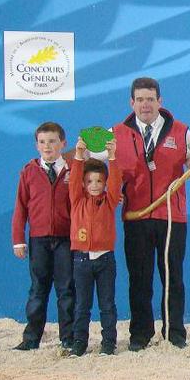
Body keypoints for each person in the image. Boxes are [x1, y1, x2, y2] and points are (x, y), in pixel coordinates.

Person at [109, 77, 190, 351]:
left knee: (173, 278)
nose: (145, 104)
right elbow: (97, 166)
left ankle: (174, 334)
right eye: (140, 99)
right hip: (136, 217)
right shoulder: (115, 133)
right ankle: (140, 335)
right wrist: (109, 190)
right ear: (132, 103)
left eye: (150, 99)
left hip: (172, 217)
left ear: (160, 102)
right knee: (139, 279)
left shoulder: (181, 131)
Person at [11, 121, 75, 350]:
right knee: (38, 289)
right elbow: (20, 208)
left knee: (66, 289)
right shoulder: (29, 171)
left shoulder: (73, 170)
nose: (47, 146)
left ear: (63, 144)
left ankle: (68, 338)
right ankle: (31, 339)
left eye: (52, 141)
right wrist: (18, 239)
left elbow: (81, 203)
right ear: (37, 145)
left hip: (66, 240)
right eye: (42, 142)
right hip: (38, 240)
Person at [69, 137, 121, 356]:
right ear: (83, 184)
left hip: (105, 260)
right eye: (90, 182)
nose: (94, 186)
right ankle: (79, 342)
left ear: (105, 183)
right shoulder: (77, 200)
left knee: (107, 305)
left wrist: (112, 157)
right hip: (81, 260)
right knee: (82, 306)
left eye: (99, 181)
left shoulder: (109, 201)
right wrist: (79, 155)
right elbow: (73, 180)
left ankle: (108, 343)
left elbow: (117, 181)